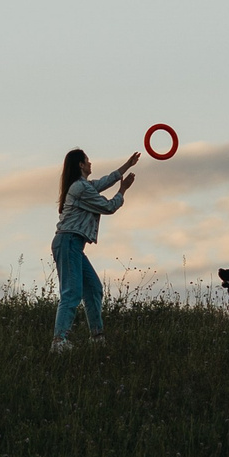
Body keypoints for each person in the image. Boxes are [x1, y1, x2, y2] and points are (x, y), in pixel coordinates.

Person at [51, 147, 137, 352]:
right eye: (87, 160)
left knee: (93, 289)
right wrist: (123, 190)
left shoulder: (83, 186)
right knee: (71, 292)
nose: (90, 163)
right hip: (68, 242)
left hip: (74, 244)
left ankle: (97, 338)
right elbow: (108, 207)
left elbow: (104, 181)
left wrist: (128, 165)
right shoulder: (80, 189)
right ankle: (59, 341)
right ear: (81, 164)